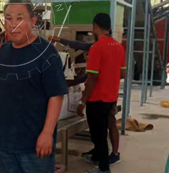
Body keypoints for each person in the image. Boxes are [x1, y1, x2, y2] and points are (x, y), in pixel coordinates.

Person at [0, 0, 68, 173]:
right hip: (5, 142)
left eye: (20, 18)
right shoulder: (4, 51)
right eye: (9, 19)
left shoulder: (46, 52)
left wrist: (47, 133)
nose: (14, 24)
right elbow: (2, 89)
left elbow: (56, 95)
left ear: (32, 21)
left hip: (34, 144)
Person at [49, 35, 122, 166]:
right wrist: (60, 39)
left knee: (103, 126)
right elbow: (78, 45)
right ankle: (102, 153)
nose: (88, 55)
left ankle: (106, 160)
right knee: (105, 124)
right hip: (111, 94)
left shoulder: (99, 48)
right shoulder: (114, 47)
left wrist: (82, 101)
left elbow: (91, 77)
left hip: (103, 96)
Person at [76, 13, 126, 173]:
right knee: (104, 128)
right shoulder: (119, 47)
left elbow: (92, 78)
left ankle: (104, 169)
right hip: (111, 97)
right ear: (110, 27)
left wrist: (83, 101)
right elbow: (123, 74)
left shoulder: (96, 48)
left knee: (98, 134)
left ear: (95, 26)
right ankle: (97, 157)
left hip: (97, 98)